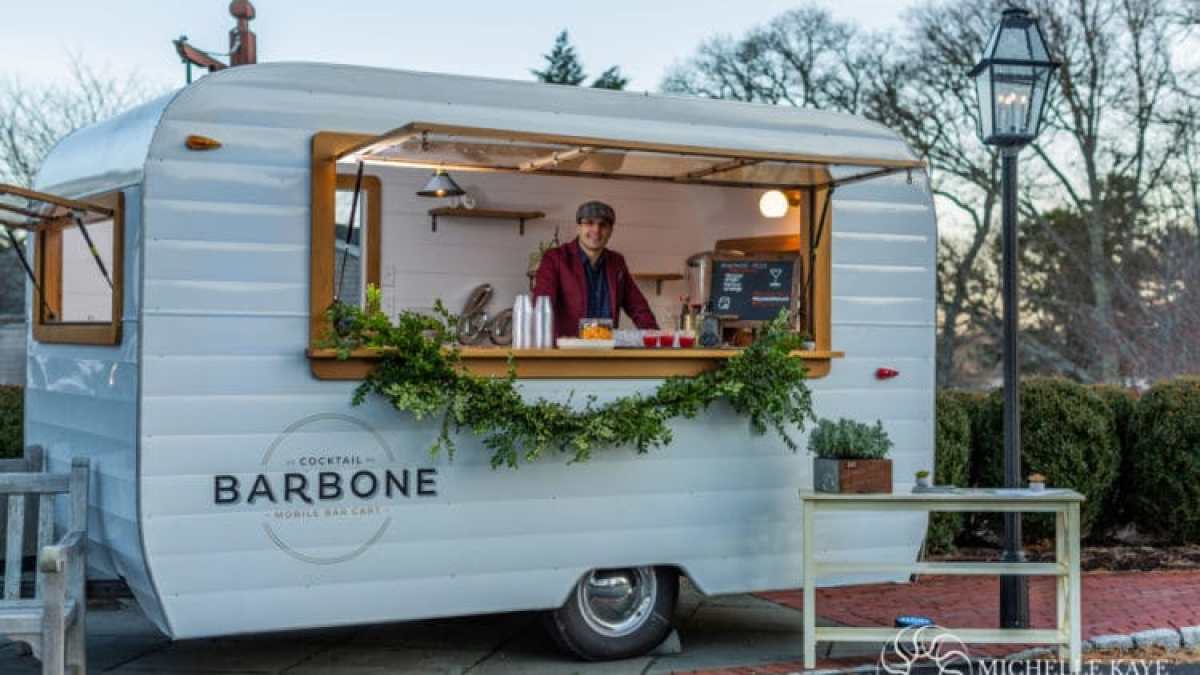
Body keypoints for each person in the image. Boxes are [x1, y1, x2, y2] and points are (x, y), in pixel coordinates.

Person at [533, 200, 659, 339]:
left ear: (610, 230)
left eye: (603, 224)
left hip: (607, 351)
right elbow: (541, 307)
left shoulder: (617, 262)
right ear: (578, 227)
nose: (596, 230)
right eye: (589, 223)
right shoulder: (555, 259)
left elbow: (638, 307)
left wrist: (657, 340)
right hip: (567, 352)